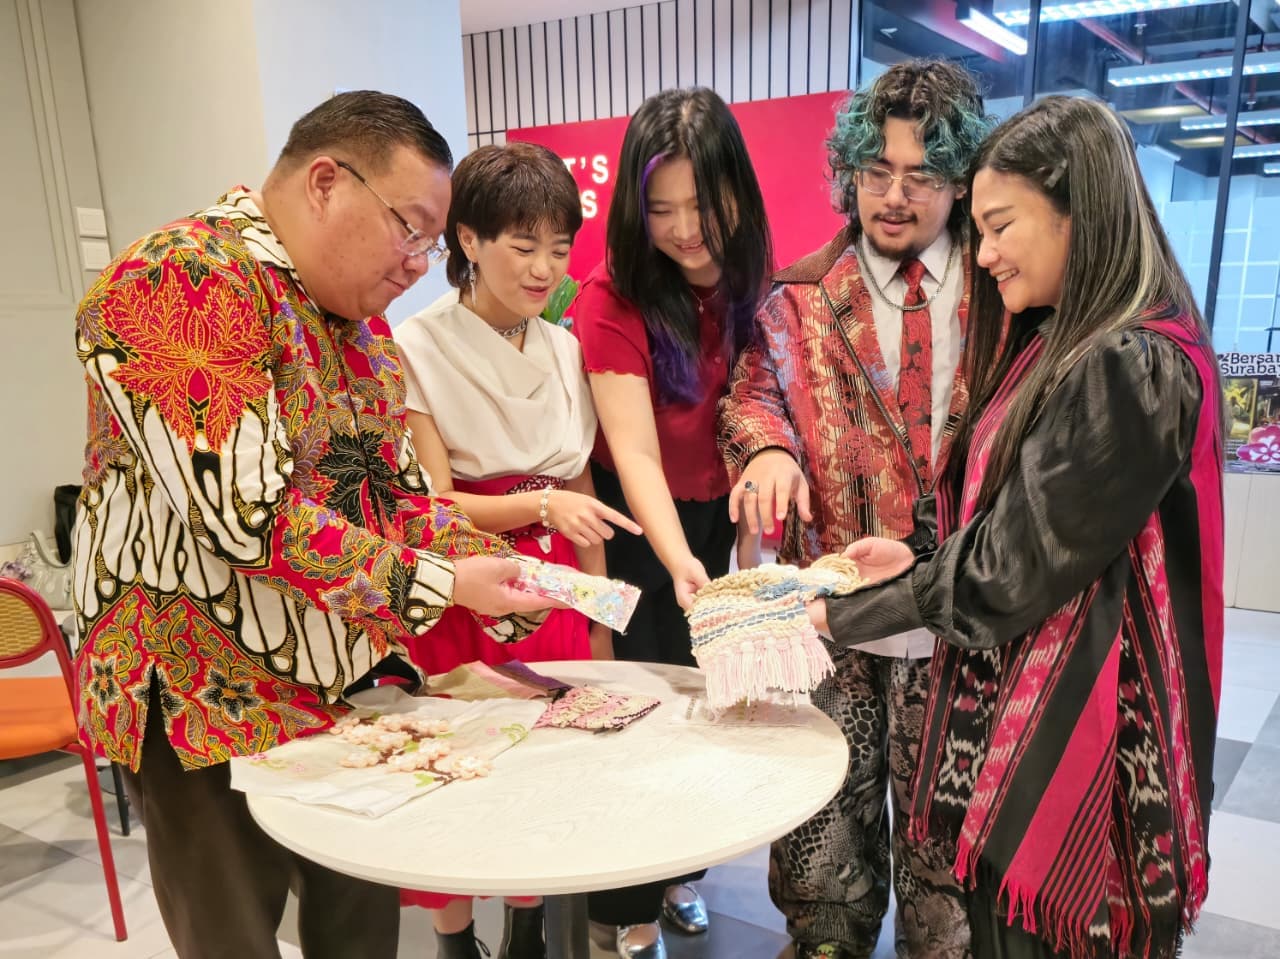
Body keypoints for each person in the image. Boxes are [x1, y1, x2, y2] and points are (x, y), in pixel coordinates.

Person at [71, 91, 553, 959]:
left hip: (337, 683)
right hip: (199, 691)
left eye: (431, 243)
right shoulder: (181, 276)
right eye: (410, 228)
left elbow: (395, 498)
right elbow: (244, 516)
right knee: (235, 937)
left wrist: (504, 572)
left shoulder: (357, 329)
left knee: (360, 929)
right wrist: (442, 584)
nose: (418, 262)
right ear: (327, 181)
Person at [809, 95, 1224, 959]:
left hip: (1091, 761)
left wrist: (846, 611)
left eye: (1001, 224)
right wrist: (919, 553)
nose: (984, 249)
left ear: (1081, 213)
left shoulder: (1130, 361)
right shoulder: (1064, 339)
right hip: (1021, 729)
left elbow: (1012, 568)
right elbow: (1021, 515)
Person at [718, 59, 992, 959]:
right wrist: (765, 444)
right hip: (830, 612)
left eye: (923, 175)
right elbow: (754, 392)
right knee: (821, 834)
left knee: (943, 851)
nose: (895, 196)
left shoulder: (1004, 297)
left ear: (960, 177)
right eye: (877, 172)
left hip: (958, 617)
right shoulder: (799, 296)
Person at [393, 141, 639, 959]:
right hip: (469, 579)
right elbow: (432, 505)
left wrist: (602, 622)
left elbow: (585, 505)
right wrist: (540, 502)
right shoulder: (416, 345)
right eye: (522, 245)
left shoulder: (566, 347)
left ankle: (530, 925)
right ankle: (455, 935)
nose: (544, 268)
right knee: (463, 770)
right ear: (467, 240)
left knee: (550, 766)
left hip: (558, 583)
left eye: (560, 247)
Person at [570, 86, 772, 959]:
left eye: (704, 204)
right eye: (663, 209)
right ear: (631, 208)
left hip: (718, 522)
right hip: (638, 527)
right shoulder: (613, 294)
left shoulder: (759, 285)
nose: (687, 228)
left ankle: (684, 874)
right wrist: (683, 558)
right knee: (641, 709)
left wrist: (746, 548)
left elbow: (764, 423)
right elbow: (637, 451)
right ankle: (627, 906)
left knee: (711, 709)